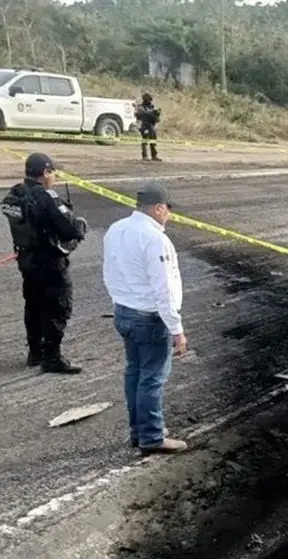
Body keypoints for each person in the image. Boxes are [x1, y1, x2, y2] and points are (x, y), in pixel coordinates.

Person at [102, 182, 187, 455]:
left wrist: (119, 303)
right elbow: (164, 287)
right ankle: (152, 436)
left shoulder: (116, 229)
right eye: (168, 209)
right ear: (159, 208)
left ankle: (138, 431)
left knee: (134, 373)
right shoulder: (155, 239)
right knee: (152, 378)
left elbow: (108, 272)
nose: (169, 215)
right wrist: (177, 329)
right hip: (149, 318)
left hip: (124, 311)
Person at [1, 152, 88, 373]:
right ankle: (52, 357)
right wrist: (77, 222)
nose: (54, 176)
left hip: (26, 260)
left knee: (33, 305)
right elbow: (71, 228)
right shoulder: (46, 197)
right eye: (53, 172)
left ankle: (35, 352)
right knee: (57, 307)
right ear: (46, 172)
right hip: (49, 261)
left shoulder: (15, 195)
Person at [135, 93, 162, 162]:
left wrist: (157, 114)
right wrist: (153, 112)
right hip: (144, 125)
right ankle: (144, 156)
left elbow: (155, 117)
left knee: (153, 140)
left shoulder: (152, 107)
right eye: (149, 99)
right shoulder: (141, 107)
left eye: (150, 100)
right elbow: (142, 115)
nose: (150, 101)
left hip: (151, 126)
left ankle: (154, 156)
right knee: (145, 141)